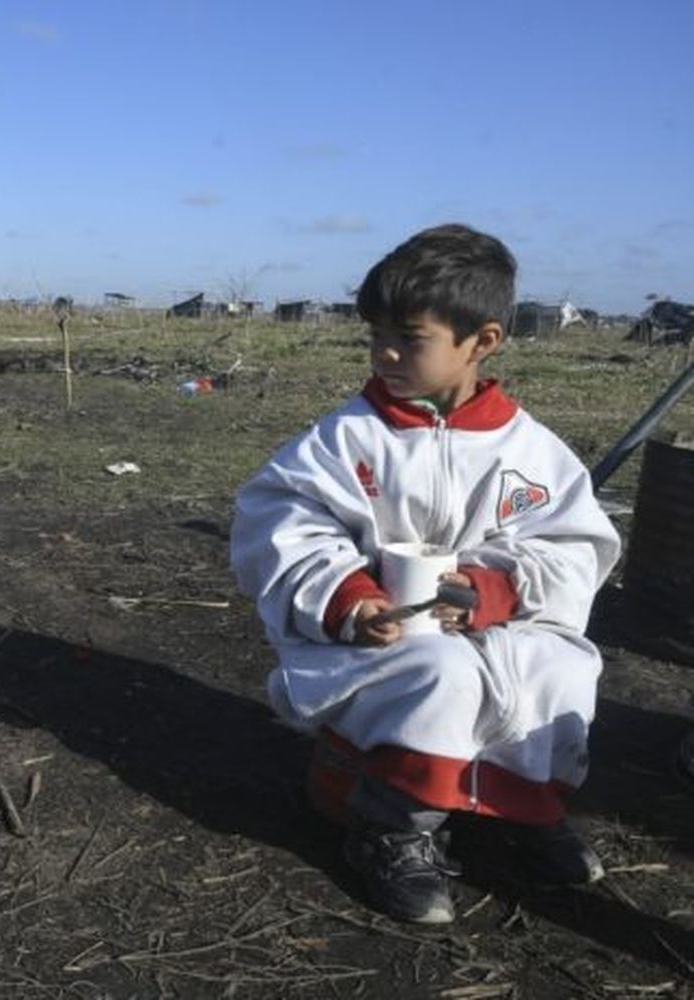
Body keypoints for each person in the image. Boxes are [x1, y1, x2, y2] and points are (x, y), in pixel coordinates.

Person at [230, 224, 621, 924]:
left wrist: (501, 586)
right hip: (375, 636)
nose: (385, 353)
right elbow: (282, 521)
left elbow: (572, 544)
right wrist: (347, 595)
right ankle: (391, 822)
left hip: (496, 623)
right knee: (440, 672)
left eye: (410, 338)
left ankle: (527, 806)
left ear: (484, 342)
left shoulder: (529, 451)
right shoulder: (347, 439)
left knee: (556, 668)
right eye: (375, 334)